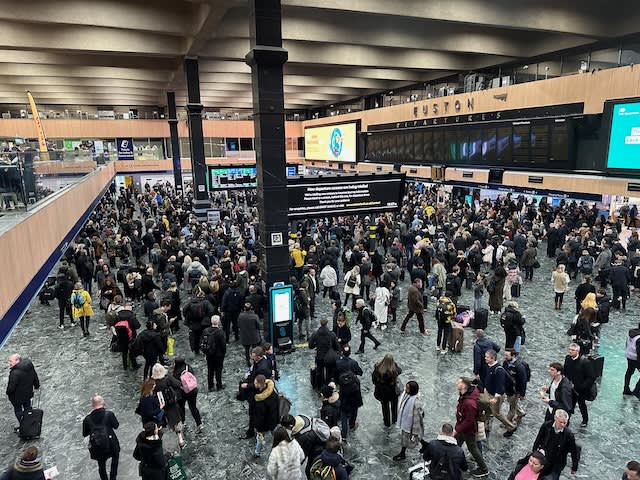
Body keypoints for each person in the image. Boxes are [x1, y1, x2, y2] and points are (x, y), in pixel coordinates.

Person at [453, 377, 489, 478]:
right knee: (456, 443)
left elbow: (469, 421)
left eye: (459, 382)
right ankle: (452, 457)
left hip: (468, 430)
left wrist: (457, 429)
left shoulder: (470, 403)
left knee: (473, 448)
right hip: (462, 426)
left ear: (464, 385)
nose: (456, 383)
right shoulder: (465, 393)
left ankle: (484, 469)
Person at [532, 409, 580, 479]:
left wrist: (574, 467)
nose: (563, 425)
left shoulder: (568, 434)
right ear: (555, 418)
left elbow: (574, 451)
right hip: (545, 458)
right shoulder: (546, 425)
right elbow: (538, 440)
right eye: (561, 422)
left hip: (558, 462)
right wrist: (534, 454)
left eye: (565, 423)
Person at [82, 395, 120, 480]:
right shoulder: (109, 414)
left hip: (97, 445)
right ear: (103, 403)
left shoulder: (87, 419)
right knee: (115, 457)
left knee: (101, 465)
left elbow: (84, 433)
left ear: (92, 405)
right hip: (111, 444)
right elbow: (116, 426)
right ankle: (113, 478)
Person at [481, 349, 517, 437]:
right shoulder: (488, 365)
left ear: (492, 358)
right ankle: (486, 426)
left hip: (495, 396)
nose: (485, 358)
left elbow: (500, 386)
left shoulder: (499, 370)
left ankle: (511, 427)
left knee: (497, 413)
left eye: (487, 357)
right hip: (489, 392)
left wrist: (495, 398)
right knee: (487, 410)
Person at [151, 363, 185, 448]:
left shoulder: (153, 383)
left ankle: (158, 440)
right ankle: (180, 439)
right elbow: (178, 384)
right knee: (176, 421)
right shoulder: (167, 378)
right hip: (171, 404)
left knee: (160, 423)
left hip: (160, 406)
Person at [563, 343, 595, 427]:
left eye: (572, 350)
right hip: (570, 386)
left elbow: (591, 377)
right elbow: (565, 370)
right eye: (569, 349)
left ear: (577, 351)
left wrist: (582, 387)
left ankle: (585, 420)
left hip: (580, 389)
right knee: (569, 404)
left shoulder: (585, 362)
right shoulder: (567, 358)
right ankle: (567, 420)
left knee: (581, 404)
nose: (570, 351)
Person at [393, 381, 424, 461]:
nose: (405, 389)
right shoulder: (408, 396)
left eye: (407, 388)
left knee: (407, 438)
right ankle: (424, 445)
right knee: (407, 438)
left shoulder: (416, 402)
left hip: (410, 424)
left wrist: (414, 428)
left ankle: (402, 453)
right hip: (406, 422)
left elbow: (419, 415)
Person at [6, 354, 40, 428]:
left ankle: (23, 426)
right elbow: (35, 376)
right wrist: (37, 386)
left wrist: (8, 393)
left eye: (10, 361)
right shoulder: (29, 366)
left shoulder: (14, 373)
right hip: (28, 394)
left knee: (18, 411)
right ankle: (30, 425)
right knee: (28, 409)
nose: (9, 363)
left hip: (17, 398)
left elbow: (11, 388)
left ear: (17, 361)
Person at [172, 357, 203, 434]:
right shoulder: (188, 367)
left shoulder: (176, 373)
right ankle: (199, 424)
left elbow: (176, 384)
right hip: (193, 390)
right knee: (193, 407)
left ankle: (183, 422)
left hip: (183, 393)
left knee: (181, 408)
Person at [252, 374, 280, 458]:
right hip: (273, 420)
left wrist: (259, 429)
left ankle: (257, 453)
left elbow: (260, 417)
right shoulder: (273, 391)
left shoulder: (261, 401)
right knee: (275, 433)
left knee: (260, 438)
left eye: (255, 383)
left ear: (260, 384)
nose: (254, 384)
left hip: (264, 424)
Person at [309, 318, 341, 387]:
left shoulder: (315, 334)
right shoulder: (332, 334)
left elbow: (310, 346)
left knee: (319, 372)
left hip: (319, 356)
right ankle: (327, 387)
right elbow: (337, 346)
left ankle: (319, 386)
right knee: (329, 373)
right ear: (327, 324)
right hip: (329, 357)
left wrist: (316, 345)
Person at [372, 353, 402, 427]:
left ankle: (387, 422)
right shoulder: (394, 369)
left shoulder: (377, 367)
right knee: (394, 406)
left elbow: (374, 380)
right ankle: (395, 420)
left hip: (382, 393)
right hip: (393, 393)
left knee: (385, 408)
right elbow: (400, 371)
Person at [202, 315, 227, 392]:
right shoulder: (220, 332)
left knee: (210, 370)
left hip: (209, 354)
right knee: (218, 370)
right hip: (218, 355)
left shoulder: (205, 331)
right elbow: (223, 345)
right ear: (218, 322)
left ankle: (210, 386)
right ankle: (219, 385)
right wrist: (223, 353)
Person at [503, 349, 528, 425]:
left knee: (512, 407)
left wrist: (522, 394)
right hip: (508, 388)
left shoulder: (519, 367)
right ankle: (520, 412)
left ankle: (507, 422)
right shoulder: (505, 363)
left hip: (515, 390)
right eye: (505, 355)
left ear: (513, 356)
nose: (505, 357)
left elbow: (523, 381)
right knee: (511, 402)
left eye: (507, 355)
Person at [238, 303, 262, 368]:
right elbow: (259, 326)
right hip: (254, 336)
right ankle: (255, 361)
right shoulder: (255, 316)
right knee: (254, 349)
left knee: (246, 350)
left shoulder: (240, 316)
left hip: (245, 336)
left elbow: (238, 325)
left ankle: (248, 362)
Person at [624, 322, 640, 397]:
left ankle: (626, 388)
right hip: (636, 357)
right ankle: (636, 391)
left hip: (629, 355)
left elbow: (626, 344)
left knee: (629, 371)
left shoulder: (631, 333)